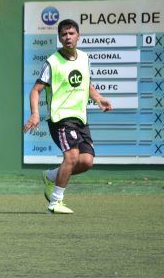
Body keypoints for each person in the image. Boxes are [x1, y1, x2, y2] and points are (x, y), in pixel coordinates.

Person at [23, 18, 112, 214]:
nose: (68, 37)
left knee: (86, 161)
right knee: (71, 156)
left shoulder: (84, 58)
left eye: (71, 33)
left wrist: (98, 99)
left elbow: (86, 84)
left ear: (78, 36)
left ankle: (51, 176)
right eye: (64, 34)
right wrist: (35, 114)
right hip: (60, 119)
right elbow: (35, 91)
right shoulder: (52, 62)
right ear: (59, 38)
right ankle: (55, 202)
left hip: (80, 118)